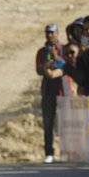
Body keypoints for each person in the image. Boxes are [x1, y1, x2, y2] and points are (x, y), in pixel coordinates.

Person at [35, 23, 63, 164]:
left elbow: (66, 65)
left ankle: (66, 151)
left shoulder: (63, 48)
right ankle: (49, 152)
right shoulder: (42, 51)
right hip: (48, 89)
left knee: (66, 122)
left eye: (52, 32)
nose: (50, 35)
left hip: (63, 89)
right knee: (48, 123)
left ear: (58, 33)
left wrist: (56, 58)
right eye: (47, 33)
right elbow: (39, 69)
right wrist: (46, 65)